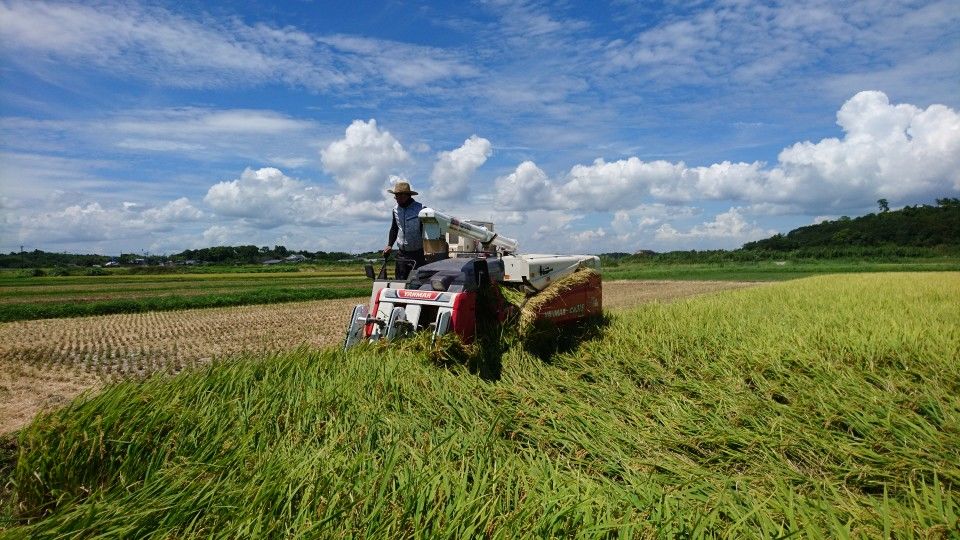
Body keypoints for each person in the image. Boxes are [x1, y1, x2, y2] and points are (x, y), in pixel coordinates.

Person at [383, 181, 425, 279]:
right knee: (400, 281)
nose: (396, 199)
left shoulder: (420, 209)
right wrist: (389, 245)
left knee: (416, 282)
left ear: (406, 195)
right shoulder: (395, 210)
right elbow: (394, 228)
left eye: (398, 196)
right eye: (395, 196)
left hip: (418, 253)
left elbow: (425, 230)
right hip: (402, 253)